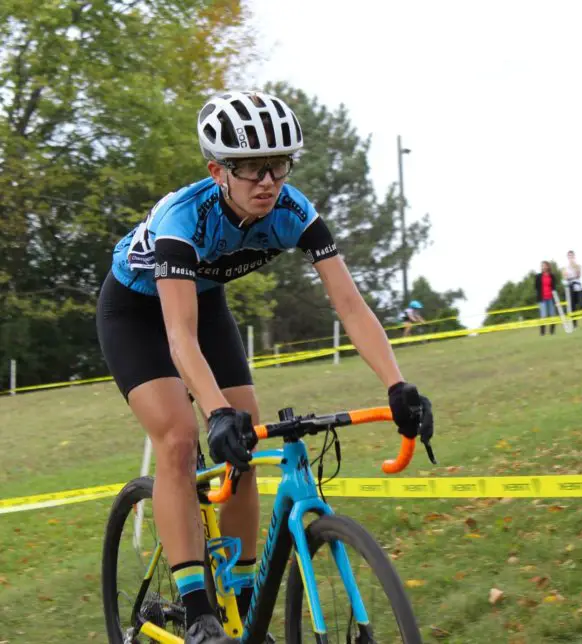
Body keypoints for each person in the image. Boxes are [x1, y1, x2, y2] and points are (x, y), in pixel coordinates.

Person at [96, 90, 434, 644]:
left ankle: (246, 599)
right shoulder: (185, 218)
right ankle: (199, 612)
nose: (268, 182)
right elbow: (177, 335)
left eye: (278, 166)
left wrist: (397, 383)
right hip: (137, 311)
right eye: (253, 169)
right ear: (217, 170)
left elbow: (349, 304)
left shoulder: (295, 212)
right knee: (182, 440)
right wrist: (215, 413)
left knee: (246, 438)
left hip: (204, 301)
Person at [562, 250, 582, 330]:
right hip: (570, 287)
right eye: (569, 256)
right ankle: (574, 325)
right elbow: (565, 277)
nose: (571, 257)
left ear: (574, 256)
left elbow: (578, 275)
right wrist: (568, 276)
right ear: (567, 257)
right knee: (572, 307)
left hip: (578, 286)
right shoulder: (565, 267)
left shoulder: (578, 265)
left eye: (572, 255)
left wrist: (574, 266)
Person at [534, 261, 557, 336]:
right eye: (542, 266)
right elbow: (536, 287)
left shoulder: (552, 276)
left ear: (548, 266)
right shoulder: (538, 276)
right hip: (542, 299)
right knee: (543, 315)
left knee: (552, 315)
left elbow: (554, 287)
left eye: (544, 265)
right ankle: (542, 333)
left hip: (551, 298)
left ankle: (552, 332)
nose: (543, 267)